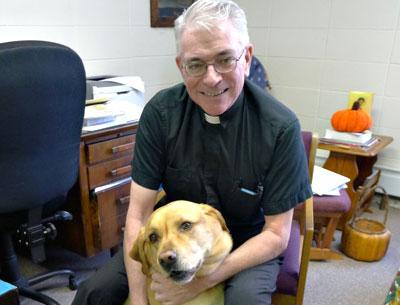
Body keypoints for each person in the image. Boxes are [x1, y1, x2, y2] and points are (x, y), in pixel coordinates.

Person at [72, 0, 312, 304]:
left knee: (245, 301)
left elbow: (277, 234)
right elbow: (139, 214)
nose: (211, 78)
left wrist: (202, 281)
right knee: (95, 293)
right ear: (180, 66)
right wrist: (137, 297)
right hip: (175, 231)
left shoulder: (280, 127)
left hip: (249, 240)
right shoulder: (160, 114)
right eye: (196, 64)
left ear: (247, 58)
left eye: (225, 59)